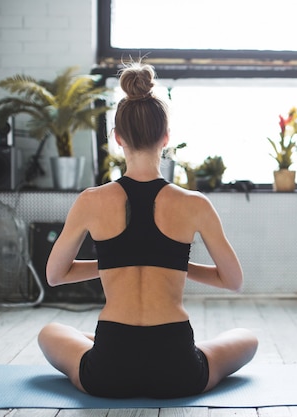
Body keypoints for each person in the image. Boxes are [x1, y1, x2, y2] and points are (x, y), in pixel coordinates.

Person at [37, 62, 258, 399]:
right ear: (167, 137)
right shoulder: (195, 204)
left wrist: (116, 261)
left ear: (117, 138)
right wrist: (174, 263)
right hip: (178, 367)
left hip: (109, 368)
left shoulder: (91, 200)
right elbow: (234, 281)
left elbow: (54, 275)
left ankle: (105, 347)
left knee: (50, 332)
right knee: (247, 337)